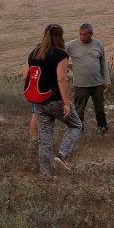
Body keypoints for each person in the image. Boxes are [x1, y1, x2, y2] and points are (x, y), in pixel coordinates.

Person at [24, 24, 83, 179]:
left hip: (39, 102)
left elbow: (25, 76)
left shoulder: (34, 53)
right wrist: (66, 103)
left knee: (44, 139)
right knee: (76, 126)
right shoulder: (60, 54)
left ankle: (46, 176)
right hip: (56, 101)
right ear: (60, 36)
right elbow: (62, 79)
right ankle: (62, 155)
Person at [66, 23, 112, 134]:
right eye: (80, 34)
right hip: (80, 85)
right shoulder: (71, 45)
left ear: (91, 34)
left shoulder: (98, 44)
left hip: (97, 84)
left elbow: (103, 63)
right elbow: (58, 55)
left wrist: (107, 80)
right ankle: (78, 131)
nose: (82, 36)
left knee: (100, 109)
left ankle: (102, 129)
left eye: (85, 34)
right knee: (79, 110)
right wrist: (65, 66)